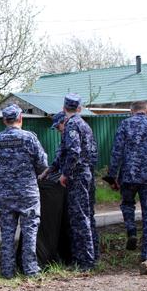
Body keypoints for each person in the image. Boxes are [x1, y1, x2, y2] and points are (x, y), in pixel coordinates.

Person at [107, 101, 147, 275]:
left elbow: (116, 151)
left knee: (127, 204)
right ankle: (146, 258)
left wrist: (112, 176)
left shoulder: (125, 124)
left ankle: (131, 230)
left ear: (131, 111)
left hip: (129, 175)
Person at [0, 104, 48, 278]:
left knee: (7, 232)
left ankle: (7, 271)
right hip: (27, 192)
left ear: (4, 120)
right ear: (20, 118)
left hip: (5, 193)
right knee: (29, 231)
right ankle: (30, 270)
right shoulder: (30, 138)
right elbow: (42, 165)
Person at [55, 94, 97, 272]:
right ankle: (92, 256)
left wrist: (65, 174)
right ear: (79, 108)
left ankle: (85, 262)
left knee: (80, 218)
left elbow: (73, 151)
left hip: (77, 176)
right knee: (86, 216)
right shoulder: (84, 124)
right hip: (86, 173)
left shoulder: (72, 125)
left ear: (65, 108)